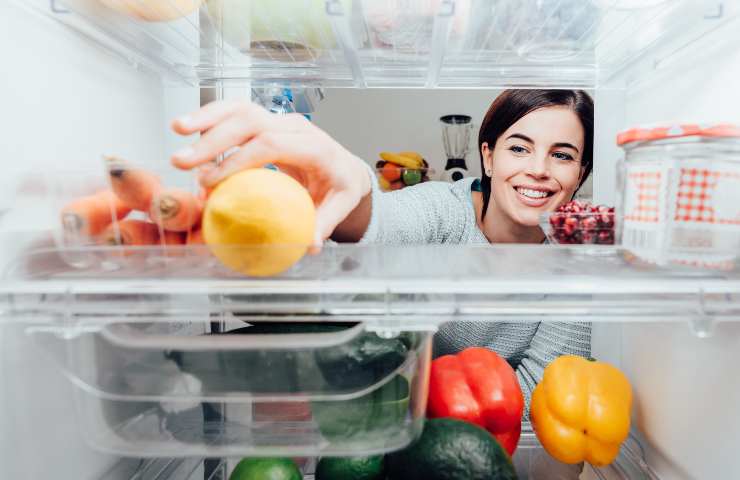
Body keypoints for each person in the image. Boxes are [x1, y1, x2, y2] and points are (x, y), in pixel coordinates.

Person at [170, 89, 593, 415]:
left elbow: (547, 392)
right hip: (384, 415)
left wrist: (428, 404)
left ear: (581, 174)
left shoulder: (575, 263)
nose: (538, 168)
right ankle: (180, 370)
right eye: (519, 147)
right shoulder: (445, 208)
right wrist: (351, 186)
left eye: (562, 155)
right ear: (487, 156)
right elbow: (386, 223)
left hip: (478, 435)